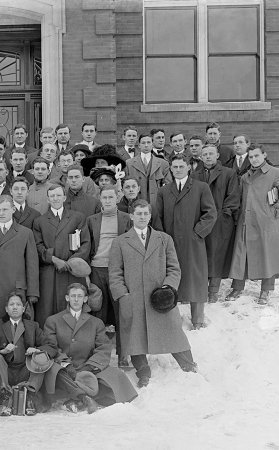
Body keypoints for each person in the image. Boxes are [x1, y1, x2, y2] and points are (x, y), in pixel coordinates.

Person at [109, 200, 198, 388]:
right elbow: (115, 273)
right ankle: (143, 372)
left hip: (160, 298)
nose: (142, 217)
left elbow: (174, 268)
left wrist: (167, 289)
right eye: (138, 214)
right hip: (133, 298)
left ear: (150, 216)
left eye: (145, 214)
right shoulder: (120, 242)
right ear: (131, 216)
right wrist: (123, 295)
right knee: (135, 336)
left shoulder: (164, 239)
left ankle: (189, 366)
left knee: (173, 331)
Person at [0, 293, 88, 415]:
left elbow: (50, 346)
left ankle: (31, 392)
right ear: (6, 309)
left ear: (23, 309)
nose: (15, 307)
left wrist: (36, 350)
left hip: (26, 369)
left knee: (42, 359)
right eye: (11, 304)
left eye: (18, 304)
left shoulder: (32, 326)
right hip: (5, 371)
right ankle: (5, 392)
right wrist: (2, 350)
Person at [44, 283, 138, 410]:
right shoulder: (53, 321)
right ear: (67, 298)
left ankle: (76, 398)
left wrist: (89, 368)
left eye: (79, 296)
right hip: (64, 368)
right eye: (73, 296)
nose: (76, 299)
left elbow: (103, 348)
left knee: (116, 375)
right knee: (54, 372)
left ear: (85, 299)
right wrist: (66, 364)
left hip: (88, 367)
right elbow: (51, 347)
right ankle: (84, 397)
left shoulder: (95, 322)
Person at [226, 145, 279, 304]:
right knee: (241, 255)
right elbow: (239, 198)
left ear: (264, 155)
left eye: (256, 156)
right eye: (251, 157)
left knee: (268, 255)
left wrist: (273, 213)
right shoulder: (244, 177)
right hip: (246, 222)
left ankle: (266, 290)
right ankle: (237, 287)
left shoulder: (276, 173)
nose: (253, 159)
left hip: (266, 224)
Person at [155, 154, 217, 329]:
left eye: (181, 166)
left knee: (195, 280)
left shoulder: (201, 188)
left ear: (189, 167)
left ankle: (197, 320)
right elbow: (157, 216)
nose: (178, 170)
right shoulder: (164, 191)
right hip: (171, 242)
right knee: (171, 279)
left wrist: (197, 233)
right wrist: (163, 239)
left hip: (193, 244)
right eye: (174, 167)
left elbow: (210, 214)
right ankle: (172, 321)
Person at [85, 186, 134, 367]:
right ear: (100, 199)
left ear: (117, 197)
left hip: (118, 271)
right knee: (98, 313)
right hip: (97, 269)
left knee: (122, 312)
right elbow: (87, 246)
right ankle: (97, 355)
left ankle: (123, 354)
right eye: (104, 197)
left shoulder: (127, 219)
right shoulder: (92, 220)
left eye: (110, 197)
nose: (107, 200)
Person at [32, 184, 90, 326]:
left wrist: (70, 263)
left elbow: (86, 243)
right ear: (47, 199)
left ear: (64, 197)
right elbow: (37, 246)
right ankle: (48, 342)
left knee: (73, 306)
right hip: (50, 271)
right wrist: (53, 258)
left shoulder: (77, 218)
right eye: (52, 196)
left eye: (58, 195)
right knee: (47, 309)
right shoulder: (39, 221)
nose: (55, 198)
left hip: (72, 271)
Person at [191, 145, 241, 303]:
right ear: (201, 157)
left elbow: (233, 197)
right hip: (200, 221)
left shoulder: (229, 173)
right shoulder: (194, 175)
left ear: (217, 155)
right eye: (204, 154)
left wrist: (224, 214)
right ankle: (200, 288)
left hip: (220, 221)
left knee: (217, 257)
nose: (207, 157)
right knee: (201, 255)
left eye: (211, 154)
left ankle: (213, 291)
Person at [0, 196, 39, 322]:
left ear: (13, 209)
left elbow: (32, 264)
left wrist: (32, 292)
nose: (1, 213)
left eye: (5, 209)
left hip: (16, 288)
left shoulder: (25, 233)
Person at [124, 135, 171, 210]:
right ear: (139, 145)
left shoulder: (163, 164)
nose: (146, 145)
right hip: (136, 205)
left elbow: (168, 186)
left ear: (152, 144)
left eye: (148, 142)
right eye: (143, 143)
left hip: (156, 205)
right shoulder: (129, 163)